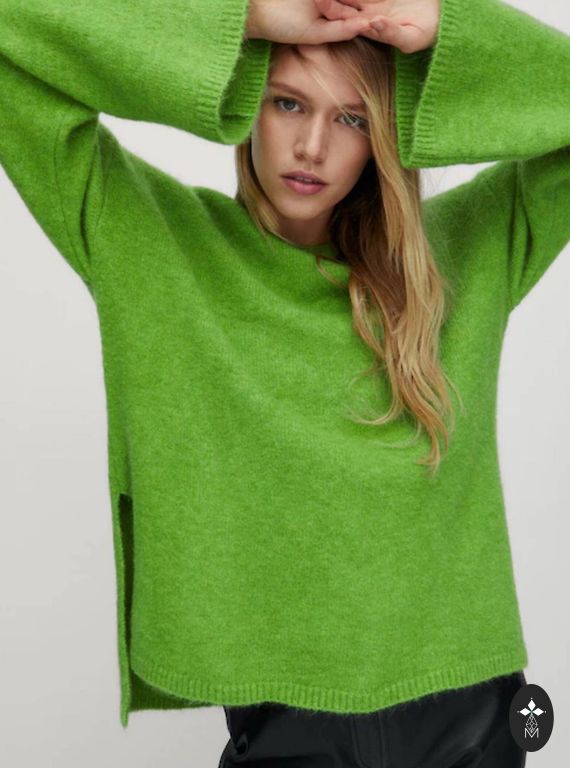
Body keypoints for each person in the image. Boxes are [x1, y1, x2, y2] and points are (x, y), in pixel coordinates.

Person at [1, 0, 568, 765]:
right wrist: (243, 18)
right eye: (288, 103)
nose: (311, 146)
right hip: (288, 729)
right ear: (246, 98)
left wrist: (447, 30)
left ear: (384, 135)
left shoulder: (458, 257)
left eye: (352, 118)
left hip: (471, 718)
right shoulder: (151, 241)